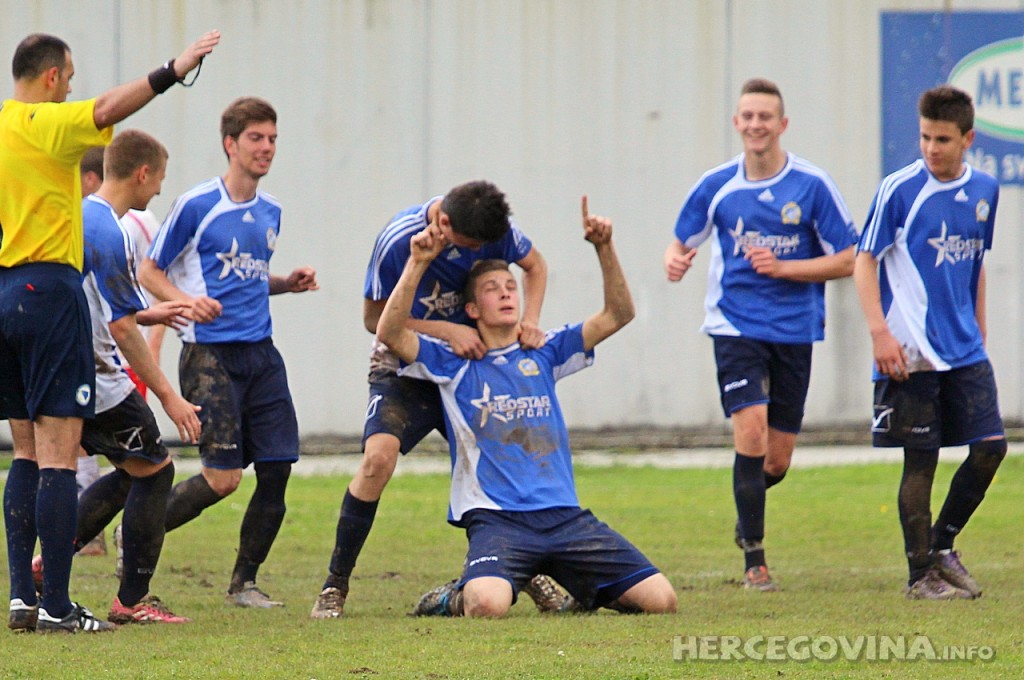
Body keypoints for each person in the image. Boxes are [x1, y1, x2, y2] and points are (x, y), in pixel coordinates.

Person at [1, 29, 219, 634]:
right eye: (68, 76)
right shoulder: (42, 122)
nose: (71, 86)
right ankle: (59, 608)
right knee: (58, 460)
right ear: (50, 78)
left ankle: (23, 599)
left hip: (8, 291)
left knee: (24, 453)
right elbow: (105, 110)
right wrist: (174, 69)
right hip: (50, 293)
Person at [394, 197, 676, 617]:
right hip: (498, 520)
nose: (506, 294)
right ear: (471, 309)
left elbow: (619, 314)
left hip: (566, 518)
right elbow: (390, 331)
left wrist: (604, 247)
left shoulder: (544, 350)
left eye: (511, 287)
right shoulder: (453, 362)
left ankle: (584, 590)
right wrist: (417, 263)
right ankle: (451, 597)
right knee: (487, 607)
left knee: (661, 602)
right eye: (493, 290)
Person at [310, 180, 567, 619]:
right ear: (444, 223)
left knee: (501, 463)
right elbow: (374, 319)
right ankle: (335, 584)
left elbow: (536, 265)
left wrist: (530, 320)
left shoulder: (493, 228)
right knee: (378, 459)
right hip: (407, 368)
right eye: (468, 246)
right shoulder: (398, 240)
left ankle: (521, 570)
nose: (475, 254)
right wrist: (446, 329)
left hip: (469, 368)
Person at [663, 78, 857, 592]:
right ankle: (756, 562)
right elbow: (680, 240)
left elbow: (850, 257)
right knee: (749, 431)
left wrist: (786, 268)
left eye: (765, 117)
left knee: (776, 459)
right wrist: (675, 259)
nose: (755, 125)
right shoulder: (717, 185)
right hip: (735, 325)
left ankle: (747, 510)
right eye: (747, 117)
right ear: (737, 123)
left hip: (794, 330)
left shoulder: (812, 185)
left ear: (782, 124)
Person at [138, 97, 318, 608]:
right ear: (230, 144)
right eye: (256, 138)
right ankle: (138, 538)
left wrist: (287, 283)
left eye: (273, 139)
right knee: (223, 479)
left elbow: (250, 280)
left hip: (261, 355)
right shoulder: (199, 205)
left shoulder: (272, 211)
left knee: (279, 467)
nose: (266, 148)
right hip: (208, 357)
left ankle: (245, 583)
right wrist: (185, 302)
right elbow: (152, 272)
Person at [853, 85, 1005, 600]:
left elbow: (976, 262)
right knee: (922, 459)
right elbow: (864, 261)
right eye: (924, 137)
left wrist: (979, 328)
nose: (931, 148)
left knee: (990, 449)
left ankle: (943, 546)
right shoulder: (898, 189)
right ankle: (920, 577)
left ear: (968, 138)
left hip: (964, 347)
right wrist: (880, 332)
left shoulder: (986, 188)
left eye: (942, 139)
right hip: (911, 349)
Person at [66, 130, 201, 624]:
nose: (160, 190)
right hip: (98, 373)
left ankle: (45, 566)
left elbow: (106, 306)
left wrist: (158, 312)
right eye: (160, 178)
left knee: (131, 469)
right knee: (157, 469)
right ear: (142, 173)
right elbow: (119, 327)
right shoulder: (110, 229)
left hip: (69, 368)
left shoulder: (81, 215)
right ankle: (131, 600)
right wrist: (170, 397)